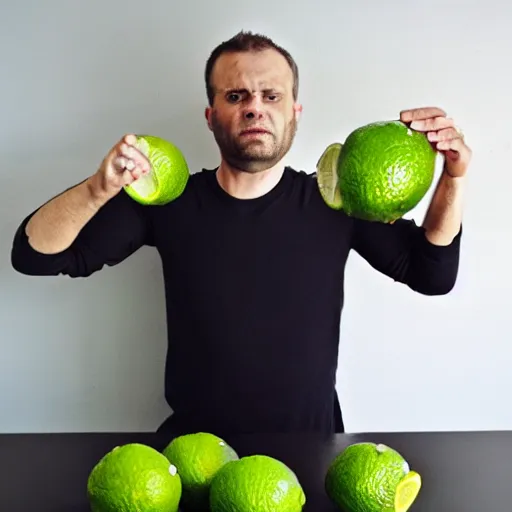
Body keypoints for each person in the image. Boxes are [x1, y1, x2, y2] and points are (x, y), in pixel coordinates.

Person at [10, 30, 471, 438]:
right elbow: (35, 255)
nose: (254, 107)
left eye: (271, 96)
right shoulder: (169, 202)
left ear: (295, 112)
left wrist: (452, 176)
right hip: (194, 459)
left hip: (309, 455)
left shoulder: (336, 202)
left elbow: (432, 274)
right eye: (236, 96)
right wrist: (98, 188)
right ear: (211, 116)